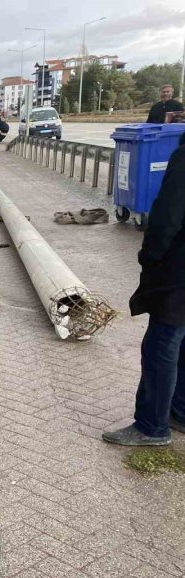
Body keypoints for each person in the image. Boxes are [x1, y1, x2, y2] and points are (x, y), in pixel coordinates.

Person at [103, 133, 185, 446]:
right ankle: (179, 412)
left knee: (161, 345)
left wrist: (149, 257)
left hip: (179, 274)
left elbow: (167, 217)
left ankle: (152, 426)